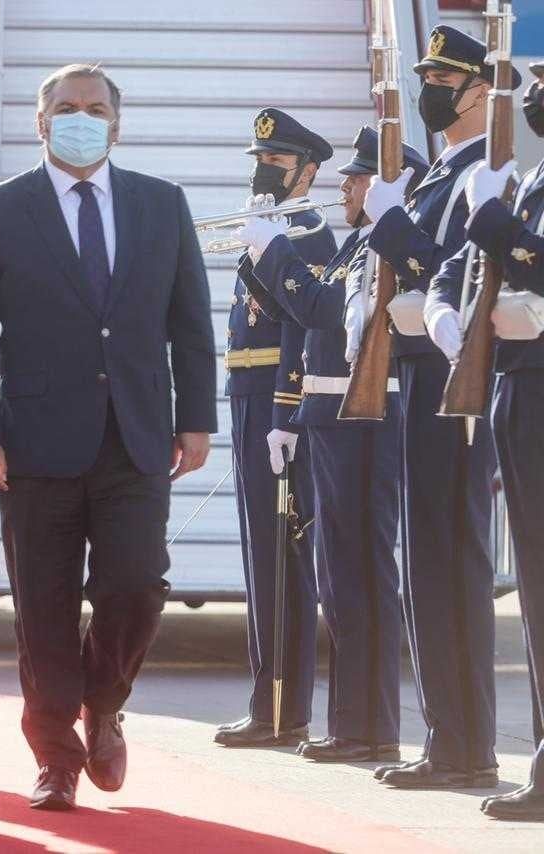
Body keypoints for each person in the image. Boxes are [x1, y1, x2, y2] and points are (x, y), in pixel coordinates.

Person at [0, 63, 216, 810]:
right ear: (40, 122)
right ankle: (56, 760)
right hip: (33, 444)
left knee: (136, 586)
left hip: (136, 437)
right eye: (65, 107)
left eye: (95, 108)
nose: (80, 118)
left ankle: (105, 700)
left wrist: (197, 417)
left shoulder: (161, 205)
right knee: (44, 606)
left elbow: (190, 324)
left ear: (116, 124)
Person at [235, 125, 428, 763]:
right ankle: (355, 724)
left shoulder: (379, 245)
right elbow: (310, 316)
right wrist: (264, 259)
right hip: (331, 419)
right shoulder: (359, 245)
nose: (347, 185)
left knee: (359, 575)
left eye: (361, 175)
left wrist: (275, 256)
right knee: (340, 576)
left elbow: (322, 312)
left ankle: (367, 727)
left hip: (359, 423)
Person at [358, 25, 516, 783]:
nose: (432, 91)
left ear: (479, 91)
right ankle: (446, 736)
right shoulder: (437, 175)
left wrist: (388, 223)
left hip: (455, 382)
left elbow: (441, 266)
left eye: (443, 79)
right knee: (426, 561)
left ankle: (465, 745)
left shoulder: (481, 173)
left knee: (451, 560)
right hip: (422, 377)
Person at [427, 59, 544, 819]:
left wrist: (492, 219)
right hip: (522, 387)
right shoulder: (536, 180)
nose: (535, 97)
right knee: (536, 591)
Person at [214, 109, 334, 750]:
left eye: (276, 163)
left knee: (281, 557)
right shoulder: (270, 230)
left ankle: (282, 708)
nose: (262, 172)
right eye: (258, 160)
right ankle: (270, 701)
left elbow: (302, 328)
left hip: (275, 404)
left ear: (306, 172)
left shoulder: (307, 234)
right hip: (246, 397)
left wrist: (287, 412)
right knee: (261, 555)